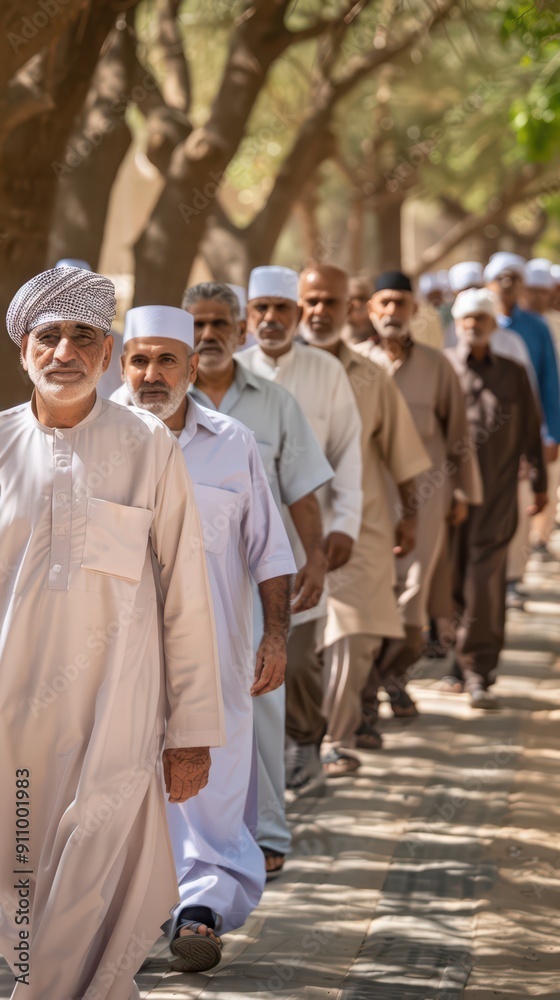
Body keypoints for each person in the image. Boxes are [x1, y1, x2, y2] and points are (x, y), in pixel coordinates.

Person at [0, 267, 224, 1000]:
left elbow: (187, 592)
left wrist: (190, 728)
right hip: (13, 713)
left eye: (83, 337)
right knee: (19, 867)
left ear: (105, 355)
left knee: (97, 863)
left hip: (119, 709)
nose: (64, 350)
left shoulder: (148, 446)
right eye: (48, 335)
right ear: (23, 349)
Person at [115, 304, 295, 972]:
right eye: (140, 359)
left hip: (215, 655)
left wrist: (274, 636)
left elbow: (269, 550)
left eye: (168, 360)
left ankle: (201, 910)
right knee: (123, 787)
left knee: (209, 794)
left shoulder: (233, 441)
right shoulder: (90, 440)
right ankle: (127, 911)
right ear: (120, 363)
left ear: (194, 367)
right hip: (110, 659)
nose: (153, 374)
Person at [182, 281, 333, 877]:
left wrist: (315, 557)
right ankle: (185, 841)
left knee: (261, 705)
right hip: (173, 590)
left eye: (221, 323)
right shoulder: (152, 400)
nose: (209, 335)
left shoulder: (275, 404)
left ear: (240, 332)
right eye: (197, 325)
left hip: (253, 585)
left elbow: (301, 492)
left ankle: (267, 830)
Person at [298, 263, 431, 769]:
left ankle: (336, 738)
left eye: (330, 302)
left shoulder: (371, 377)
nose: (319, 311)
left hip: (361, 527)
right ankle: (300, 740)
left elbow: (401, 453)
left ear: (349, 309)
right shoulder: (266, 375)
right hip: (290, 532)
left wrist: (411, 516)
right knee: (297, 638)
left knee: (353, 636)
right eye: (310, 302)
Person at [238, 265, 363, 792]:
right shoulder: (227, 370)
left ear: (296, 316)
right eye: (260, 309)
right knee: (244, 651)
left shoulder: (326, 372)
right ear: (248, 316)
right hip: (239, 545)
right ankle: (253, 765)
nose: (271, 318)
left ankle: (305, 747)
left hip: (304, 541)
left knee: (304, 651)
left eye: (280, 309)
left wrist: (345, 525)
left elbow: (348, 452)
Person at [355, 270, 482, 723]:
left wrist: (464, 490)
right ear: (370, 310)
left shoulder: (436, 365)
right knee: (370, 597)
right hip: (366, 497)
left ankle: (392, 676)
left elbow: (458, 433)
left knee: (412, 602)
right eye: (383, 302)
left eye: (400, 303)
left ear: (414, 310)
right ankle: (369, 697)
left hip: (426, 500)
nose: (392, 311)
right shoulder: (351, 363)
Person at [445, 288, 547, 707]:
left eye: (481, 318)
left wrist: (540, 484)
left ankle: (477, 671)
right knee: (449, 581)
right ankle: (454, 659)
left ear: (492, 324)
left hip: (499, 497)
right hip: (447, 500)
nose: (473, 325)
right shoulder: (444, 369)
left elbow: (530, 431)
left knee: (484, 584)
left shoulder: (513, 371)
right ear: (457, 323)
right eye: (466, 318)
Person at [484, 252, 560, 604]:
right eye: (502, 277)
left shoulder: (536, 327)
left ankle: (513, 577)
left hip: (522, 432)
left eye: (514, 277)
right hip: (476, 439)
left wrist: (551, 433)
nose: (508, 284)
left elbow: (548, 383)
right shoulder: (474, 322)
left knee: (517, 502)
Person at [520, 259, 560, 553]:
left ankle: (540, 538)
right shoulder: (507, 326)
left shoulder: (551, 325)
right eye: (532, 290)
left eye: (543, 290)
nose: (538, 296)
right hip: (521, 420)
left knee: (549, 480)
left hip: (551, 417)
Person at [342, 275, 378, 346]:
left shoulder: (382, 338)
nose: (354, 304)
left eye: (361, 298)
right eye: (349, 298)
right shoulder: (333, 338)